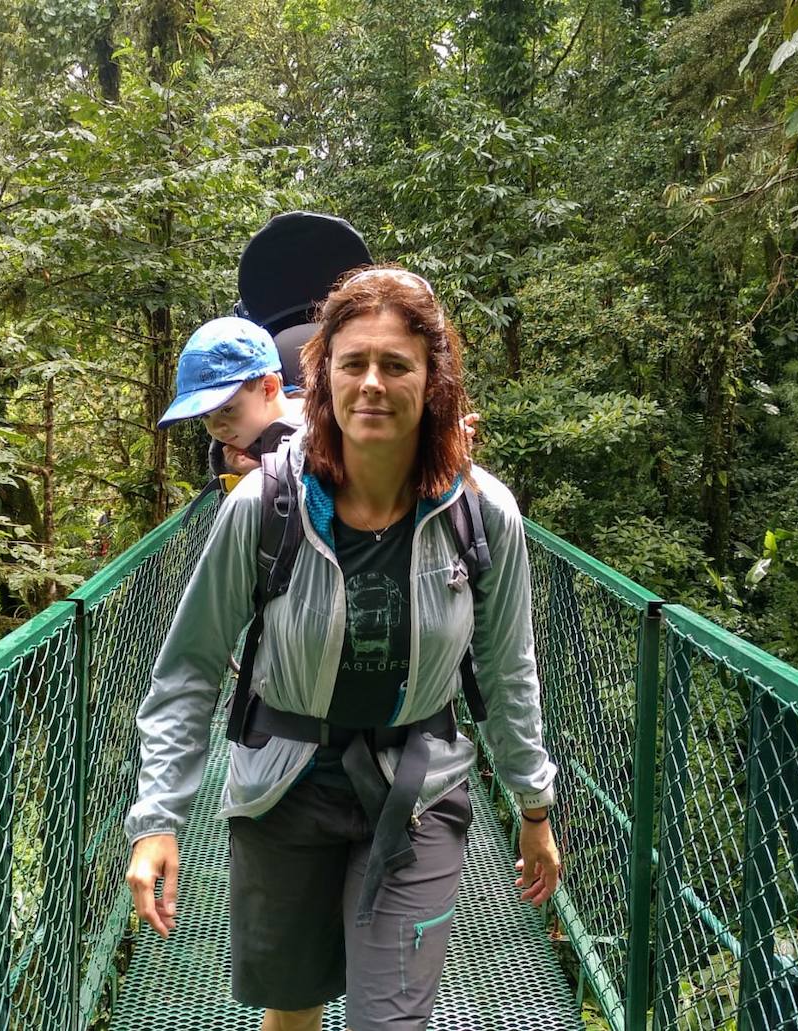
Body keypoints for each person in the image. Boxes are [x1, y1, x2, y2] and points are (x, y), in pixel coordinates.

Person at [126, 266, 561, 1031]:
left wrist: (533, 802)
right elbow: (191, 667)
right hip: (283, 788)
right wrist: (158, 817)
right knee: (293, 1011)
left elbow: (507, 665)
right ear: (320, 377)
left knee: (386, 1022)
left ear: (434, 382)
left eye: (397, 365)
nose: (372, 384)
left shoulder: (483, 515)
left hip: (417, 789)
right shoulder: (264, 507)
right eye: (352, 362)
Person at [157, 316, 305, 482]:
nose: (216, 428)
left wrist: (264, 477)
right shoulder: (223, 452)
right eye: (205, 416)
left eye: (227, 410)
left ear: (268, 388)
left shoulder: (320, 433)